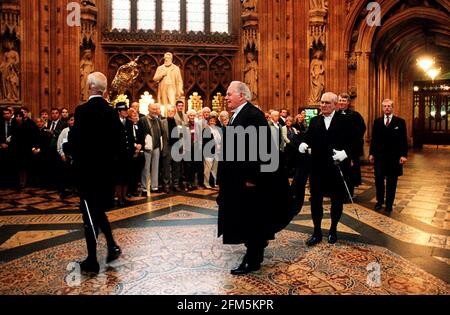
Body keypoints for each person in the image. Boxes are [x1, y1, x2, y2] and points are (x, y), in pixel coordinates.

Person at [217, 81, 292, 275]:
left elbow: (262, 149)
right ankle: (253, 251)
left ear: (241, 95)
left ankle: (253, 259)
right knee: (245, 218)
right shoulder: (238, 115)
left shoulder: (252, 115)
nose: (226, 97)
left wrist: (252, 177)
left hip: (249, 181)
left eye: (228, 94)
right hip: (237, 178)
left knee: (252, 219)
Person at [68, 72, 122, 274]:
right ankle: (112, 246)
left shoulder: (82, 111)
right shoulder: (111, 112)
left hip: (88, 174)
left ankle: (92, 261)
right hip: (106, 175)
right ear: (104, 89)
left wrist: (68, 149)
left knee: (89, 216)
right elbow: (119, 144)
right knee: (97, 211)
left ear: (90, 86)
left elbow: (76, 141)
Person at [298, 92, 357, 245]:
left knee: (336, 201)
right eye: (322, 102)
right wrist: (303, 143)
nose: (323, 105)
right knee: (315, 201)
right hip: (317, 168)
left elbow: (355, 142)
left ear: (335, 105)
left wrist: (345, 154)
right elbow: (308, 136)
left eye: (327, 103)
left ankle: (333, 230)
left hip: (336, 168)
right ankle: (316, 231)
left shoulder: (346, 121)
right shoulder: (315, 121)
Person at [369, 99, 408, 213]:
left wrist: (403, 155)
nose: (387, 108)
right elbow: (374, 139)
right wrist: (371, 153)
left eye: (389, 106)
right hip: (379, 157)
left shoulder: (400, 122)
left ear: (392, 108)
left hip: (394, 158)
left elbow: (403, 140)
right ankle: (379, 202)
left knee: (392, 182)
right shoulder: (377, 122)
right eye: (385, 106)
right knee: (379, 181)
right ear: (382, 108)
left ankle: (389, 204)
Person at [337, 93, 366, 200]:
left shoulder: (355, 115)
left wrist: (353, 152)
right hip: (338, 150)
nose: (341, 103)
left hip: (351, 150)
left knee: (350, 173)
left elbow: (360, 132)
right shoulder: (335, 115)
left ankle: (348, 195)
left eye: (344, 101)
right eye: (340, 100)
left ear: (348, 102)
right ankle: (339, 194)